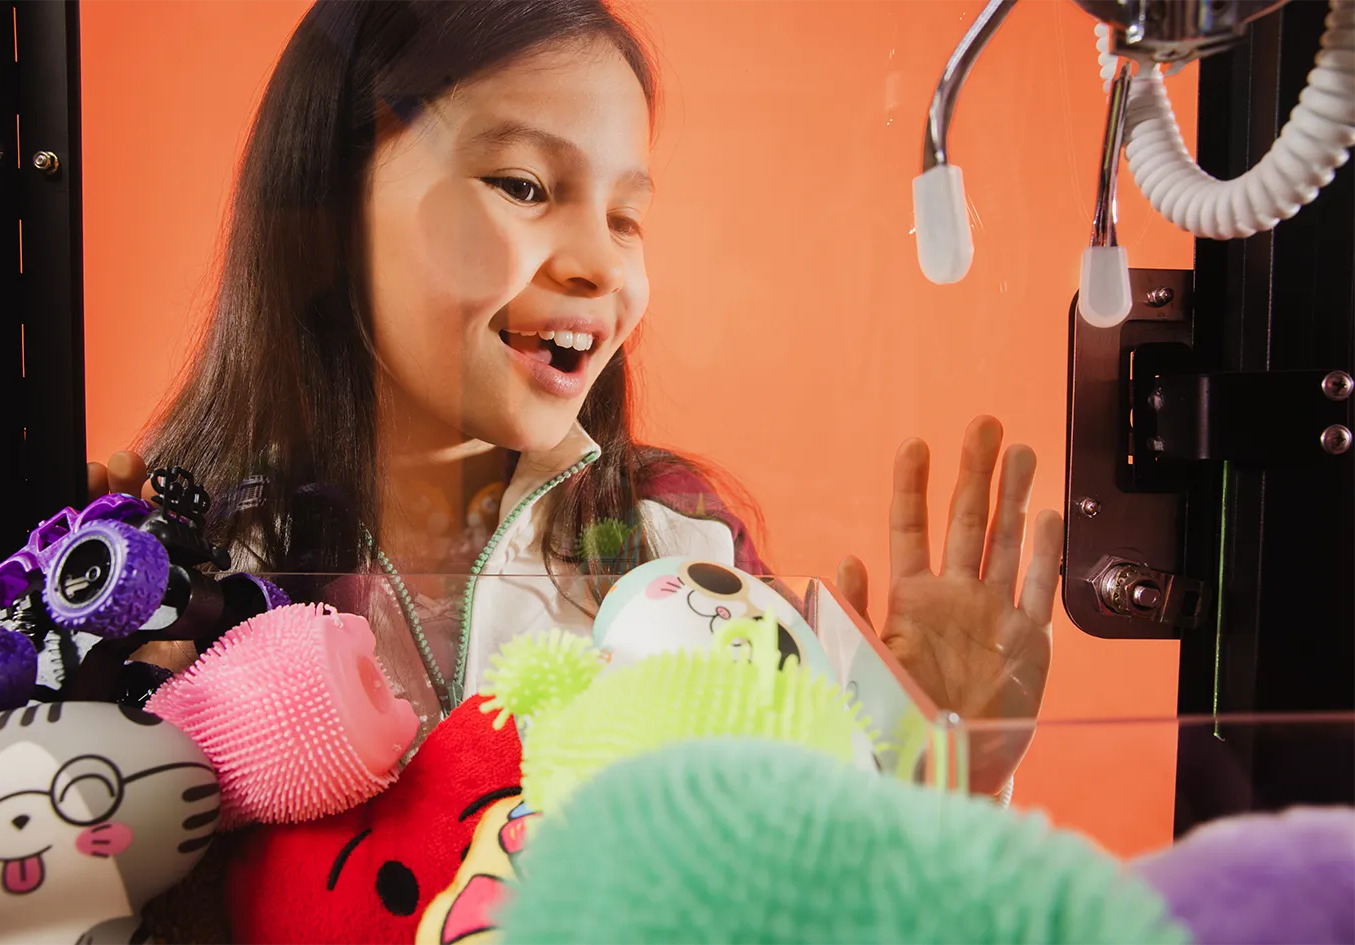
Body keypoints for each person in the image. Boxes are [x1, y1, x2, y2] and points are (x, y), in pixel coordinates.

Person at [88, 0, 1062, 802]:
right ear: (327, 212)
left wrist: (940, 779)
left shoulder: (682, 550)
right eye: (522, 184)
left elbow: (797, 888)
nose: (601, 265)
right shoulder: (163, 568)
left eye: (625, 216)